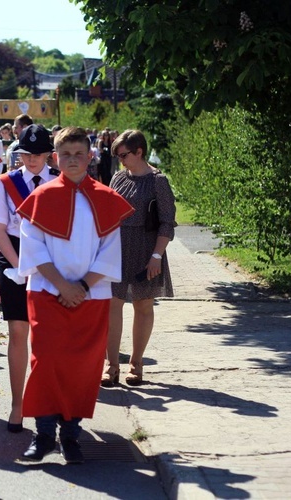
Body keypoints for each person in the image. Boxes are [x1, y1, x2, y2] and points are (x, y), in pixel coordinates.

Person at [15, 126, 134, 464]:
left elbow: (110, 253)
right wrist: (63, 286)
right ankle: (43, 436)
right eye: (65, 154)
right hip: (47, 293)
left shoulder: (107, 200)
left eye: (78, 153)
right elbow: (33, 250)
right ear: (55, 157)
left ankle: (71, 436)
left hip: (91, 296)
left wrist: (80, 287)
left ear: (90, 156)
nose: (72, 160)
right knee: (47, 363)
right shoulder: (39, 198)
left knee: (82, 367)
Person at [0, 124, 58, 433]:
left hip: (52, 258)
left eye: (37, 155)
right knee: (18, 330)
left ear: (48, 155)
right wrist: (19, 265)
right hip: (14, 256)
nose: (31, 161)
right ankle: (18, 404)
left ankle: (48, 404)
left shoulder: (59, 181)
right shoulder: (7, 183)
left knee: (47, 335)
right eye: (26, 154)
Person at [104, 129, 176, 387]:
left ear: (139, 152)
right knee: (112, 304)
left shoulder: (159, 181)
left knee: (143, 306)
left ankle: (136, 364)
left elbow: (167, 223)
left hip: (147, 249)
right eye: (118, 155)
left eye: (124, 155)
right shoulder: (118, 178)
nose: (120, 160)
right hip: (117, 248)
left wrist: (157, 255)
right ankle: (111, 366)